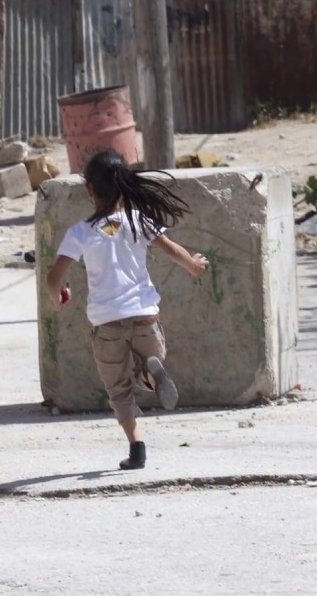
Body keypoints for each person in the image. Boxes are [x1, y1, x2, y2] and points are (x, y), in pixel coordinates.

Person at [44, 149, 209, 470]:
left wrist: (57, 298)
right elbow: (174, 250)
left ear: (89, 190)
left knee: (119, 390)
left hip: (107, 324)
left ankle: (137, 449)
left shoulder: (80, 232)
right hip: (145, 315)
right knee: (149, 364)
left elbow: (54, 278)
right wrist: (194, 265)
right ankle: (151, 368)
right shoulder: (139, 221)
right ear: (124, 186)